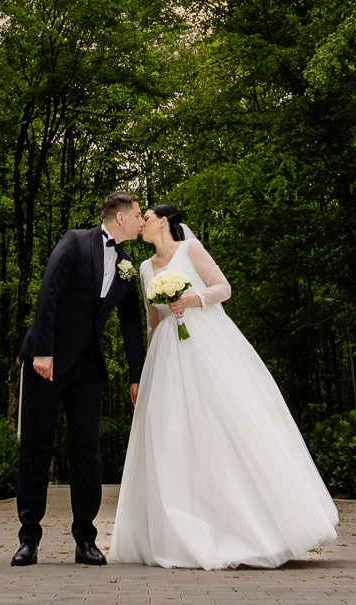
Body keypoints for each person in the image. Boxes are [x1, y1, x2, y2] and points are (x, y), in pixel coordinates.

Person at [109, 204, 339, 570]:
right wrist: (144, 371)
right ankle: (181, 528)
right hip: (167, 354)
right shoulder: (143, 269)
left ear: (164, 222)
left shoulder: (190, 250)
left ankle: (250, 527)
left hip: (205, 341)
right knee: (173, 437)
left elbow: (224, 288)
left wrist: (191, 300)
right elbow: (152, 320)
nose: (142, 224)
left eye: (147, 218)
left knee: (222, 425)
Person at [12, 191, 147, 566]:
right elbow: (49, 293)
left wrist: (137, 374)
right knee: (36, 448)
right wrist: (42, 350)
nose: (141, 221)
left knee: (88, 452)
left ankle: (85, 539)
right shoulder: (74, 241)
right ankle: (29, 538)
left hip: (88, 367)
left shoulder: (127, 265)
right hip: (48, 362)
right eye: (137, 214)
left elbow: (132, 324)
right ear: (119, 218)